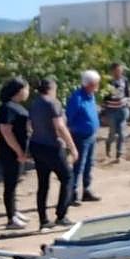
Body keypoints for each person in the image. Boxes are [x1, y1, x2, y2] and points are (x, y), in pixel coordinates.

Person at [30, 77, 78, 230]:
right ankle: (61, 215)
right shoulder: (52, 103)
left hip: (37, 144)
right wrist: (72, 147)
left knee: (43, 183)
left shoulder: (34, 103)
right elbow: (60, 126)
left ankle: (43, 219)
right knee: (67, 177)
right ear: (51, 89)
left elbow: (29, 125)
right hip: (52, 146)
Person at [0, 76, 30, 229]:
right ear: (19, 90)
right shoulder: (7, 108)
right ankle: (11, 218)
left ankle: (15, 211)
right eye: (26, 88)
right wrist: (18, 151)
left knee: (14, 183)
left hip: (17, 151)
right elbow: (6, 131)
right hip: (9, 152)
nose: (28, 92)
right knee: (10, 184)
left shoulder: (17, 106)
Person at [66, 69, 102, 203]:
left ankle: (87, 190)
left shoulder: (91, 96)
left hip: (91, 136)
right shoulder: (77, 98)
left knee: (89, 164)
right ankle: (73, 193)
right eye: (96, 83)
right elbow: (69, 117)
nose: (97, 86)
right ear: (89, 84)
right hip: (80, 137)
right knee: (79, 165)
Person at [104, 62, 130, 161]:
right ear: (112, 71)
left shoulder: (125, 80)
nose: (119, 72)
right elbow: (104, 97)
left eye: (120, 70)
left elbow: (128, 94)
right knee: (112, 133)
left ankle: (119, 154)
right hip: (111, 111)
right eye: (117, 71)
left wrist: (127, 101)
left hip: (123, 109)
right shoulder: (107, 82)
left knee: (121, 133)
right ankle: (108, 145)